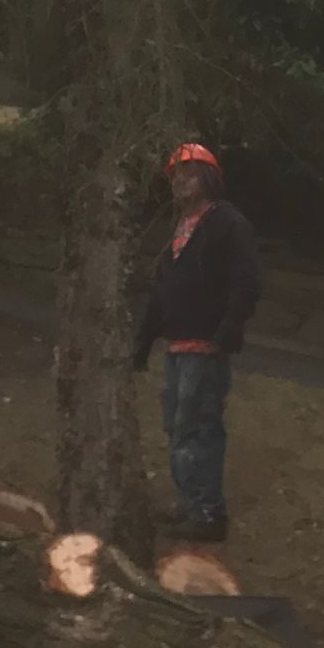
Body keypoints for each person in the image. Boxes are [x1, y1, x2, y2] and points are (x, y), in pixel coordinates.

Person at [132, 140, 260, 543]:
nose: (180, 181)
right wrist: (142, 343)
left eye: (189, 172)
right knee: (177, 427)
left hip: (205, 348)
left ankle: (207, 514)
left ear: (209, 177)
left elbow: (247, 282)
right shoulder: (180, 230)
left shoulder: (226, 223)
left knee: (199, 428)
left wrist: (228, 330)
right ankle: (190, 503)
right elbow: (161, 293)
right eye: (174, 175)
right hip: (176, 346)